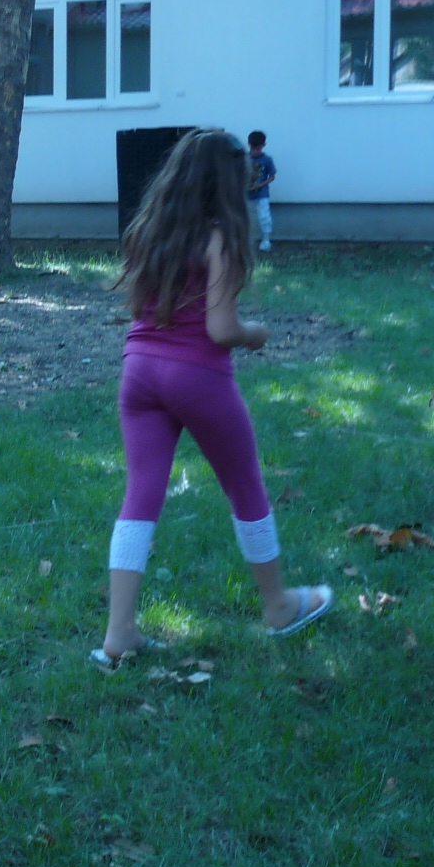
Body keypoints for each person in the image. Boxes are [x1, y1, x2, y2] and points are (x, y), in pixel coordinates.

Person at [94, 129, 331, 670]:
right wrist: (255, 333)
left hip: (139, 373)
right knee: (245, 486)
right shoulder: (220, 238)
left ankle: (119, 633)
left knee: (140, 495)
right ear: (228, 185)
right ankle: (278, 605)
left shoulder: (150, 229)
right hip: (197, 377)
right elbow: (221, 329)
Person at [246, 130, 277, 252]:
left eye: (258, 148)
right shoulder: (244, 158)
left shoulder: (267, 159)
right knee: (246, 217)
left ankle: (266, 240)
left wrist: (259, 185)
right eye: (253, 148)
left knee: (264, 216)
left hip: (262, 194)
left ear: (263, 145)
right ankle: (247, 240)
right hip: (246, 194)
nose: (255, 151)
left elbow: (272, 176)